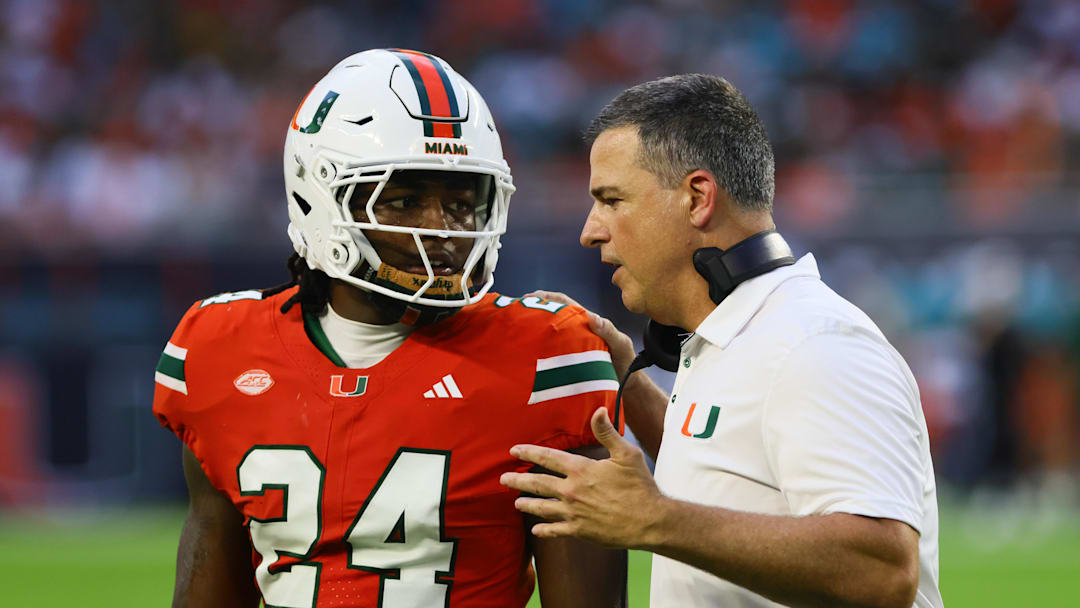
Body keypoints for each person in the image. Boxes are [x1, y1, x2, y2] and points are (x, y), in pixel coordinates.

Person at [152, 48, 626, 608]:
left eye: (461, 201)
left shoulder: (550, 356)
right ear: (321, 198)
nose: (444, 231)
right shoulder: (220, 347)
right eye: (401, 200)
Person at [500, 74, 943, 608]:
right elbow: (730, 477)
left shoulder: (816, 343)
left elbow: (883, 569)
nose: (591, 230)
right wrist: (631, 384)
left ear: (697, 198)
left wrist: (655, 520)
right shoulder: (737, 333)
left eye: (612, 199)